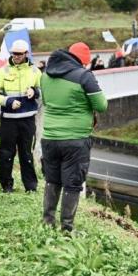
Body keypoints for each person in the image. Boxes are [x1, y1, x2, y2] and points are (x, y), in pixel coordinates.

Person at [40, 42, 108, 232]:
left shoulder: (45, 75)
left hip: (50, 137)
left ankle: (47, 222)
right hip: (75, 139)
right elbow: (101, 105)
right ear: (84, 61)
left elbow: (46, 101)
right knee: (72, 183)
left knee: (52, 179)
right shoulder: (84, 76)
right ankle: (67, 228)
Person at [0, 39, 42, 193]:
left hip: (28, 120)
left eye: (20, 54)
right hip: (8, 121)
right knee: (6, 154)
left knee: (27, 154)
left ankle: (31, 187)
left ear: (26, 54)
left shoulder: (35, 71)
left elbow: (43, 92)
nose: (16, 56)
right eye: (14, 53)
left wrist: (35, 92)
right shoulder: (3, 71)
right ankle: (6, 186)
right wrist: (8, 101)